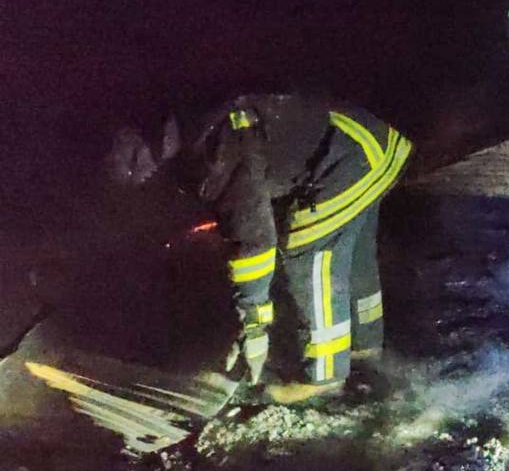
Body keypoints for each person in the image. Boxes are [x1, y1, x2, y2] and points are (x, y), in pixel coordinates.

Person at [109, 94, 413, 404]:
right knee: (354, 255)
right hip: (378, 145)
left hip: (348, 157)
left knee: (309, 252)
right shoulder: (199, 127)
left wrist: (253, 325)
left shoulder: (220, 154)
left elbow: (255, 243)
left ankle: (325, 375)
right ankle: (364, 348)